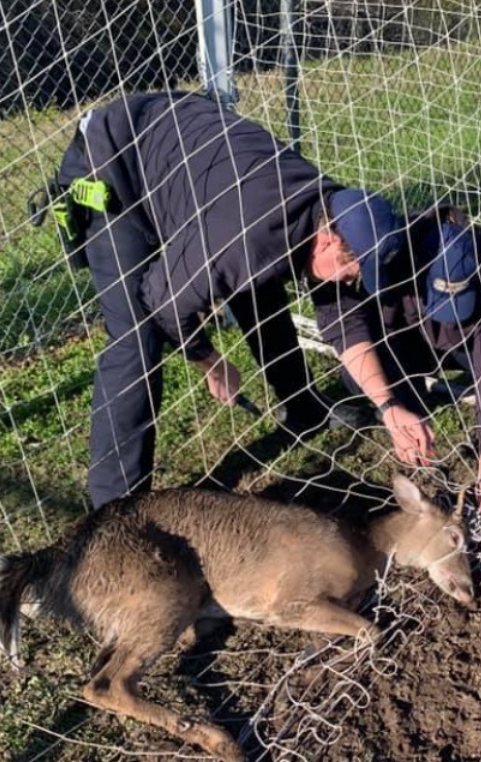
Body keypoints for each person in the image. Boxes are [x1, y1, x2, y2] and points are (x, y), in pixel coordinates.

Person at [54, 91, 434, 508]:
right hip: (113, 165)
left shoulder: (324, 206)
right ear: (327, 239)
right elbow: (161, 299)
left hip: (189, 156)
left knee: (260, 278)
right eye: (354, 270)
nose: (352, 280)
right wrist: (210, 361)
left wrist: (389, 406)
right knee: (137, 339)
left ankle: (302, 405)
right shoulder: (242, 240)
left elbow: (341, 320)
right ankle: (115, 508)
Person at [337, 205, 481, 521]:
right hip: (413, 341)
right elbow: (383, 341)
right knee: (358, 371)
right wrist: (403, 412)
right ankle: (421, 453)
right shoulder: (388, 253)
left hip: (470, 342)